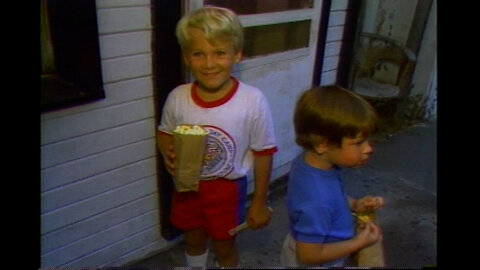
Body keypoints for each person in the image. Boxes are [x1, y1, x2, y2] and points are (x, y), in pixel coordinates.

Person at [156, 6, 277, 267]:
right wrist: (169, 154)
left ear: (237, 55)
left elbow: (264, 152)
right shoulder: (178, 97)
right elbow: (164, 132)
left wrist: (259, 202)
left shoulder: (252, 101)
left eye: (220, 53)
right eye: (199, 54)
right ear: (187, 57)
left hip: (227, 191)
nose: (209, 64)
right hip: (186, 189)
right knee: (193, 240)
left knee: (225, 246)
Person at [280, 85, 385, 267]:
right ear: (322, 144)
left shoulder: (311, 163)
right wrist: (359, 243)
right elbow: (309, 256)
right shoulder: (317, 200)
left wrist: (354, 204)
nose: (369, 149)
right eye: (358, 143)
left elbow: (333, 195)